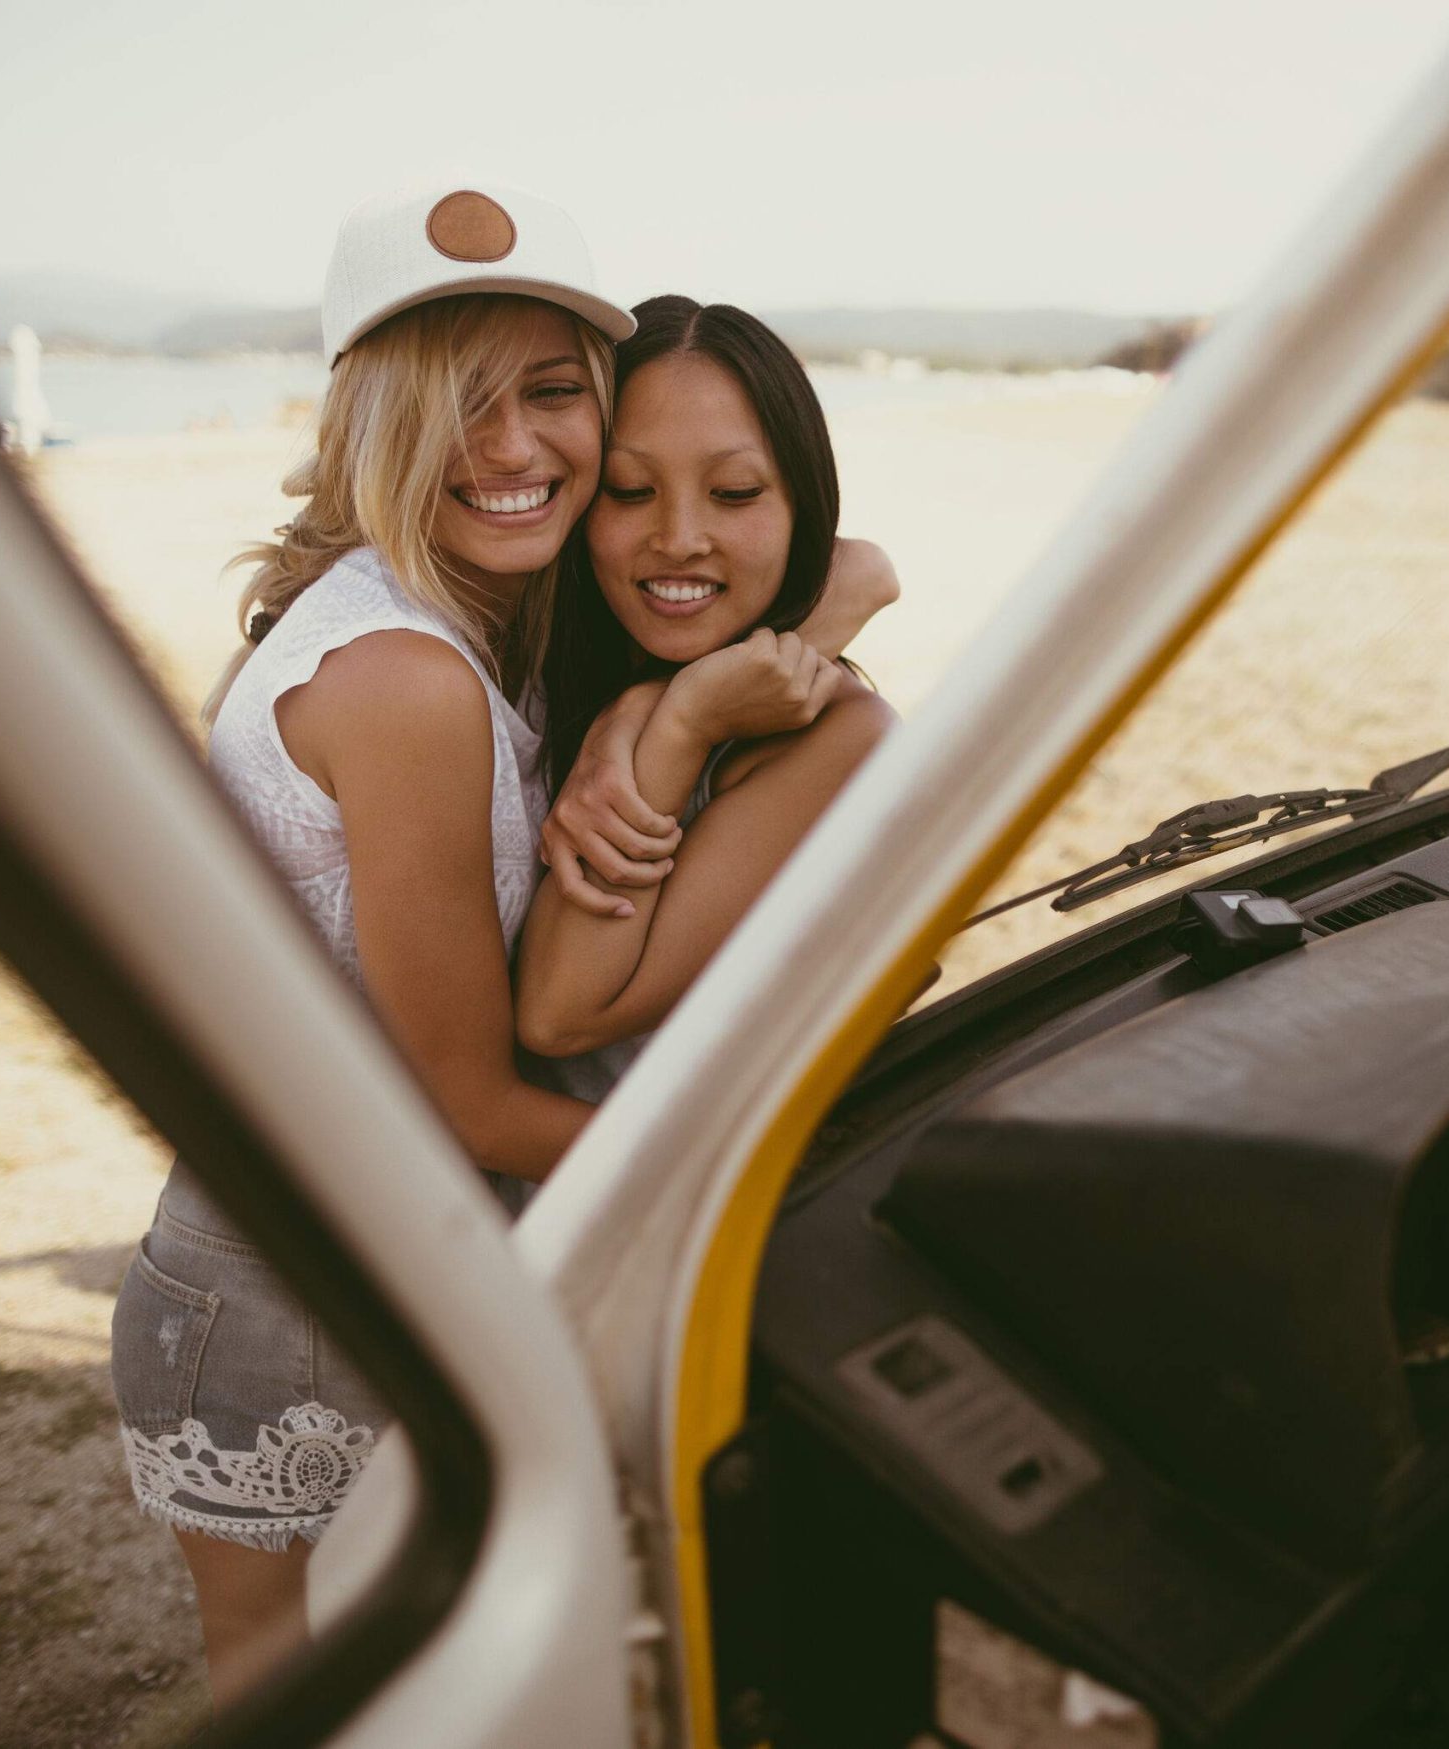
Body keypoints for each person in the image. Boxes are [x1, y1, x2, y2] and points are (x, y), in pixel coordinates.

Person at [106, 188, 890, 1708]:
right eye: (458, 398)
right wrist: (745, 1206)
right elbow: (470, 1100)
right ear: (370, 415)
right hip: (296, 1286)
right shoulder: (408, 677)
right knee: (327, 1697)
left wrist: (812, 610)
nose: (516, 447)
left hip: (380, 1251)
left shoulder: (470, 613)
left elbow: (800, 539)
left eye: (549, 393)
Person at [513, 295, 898, 1069]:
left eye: (735, 493)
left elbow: (560, 1015)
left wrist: (684, 719)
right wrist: (652, 700)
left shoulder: (840, 740)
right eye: (628, 489)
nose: (679, 539)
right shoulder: (541, 650)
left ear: (804, 505)